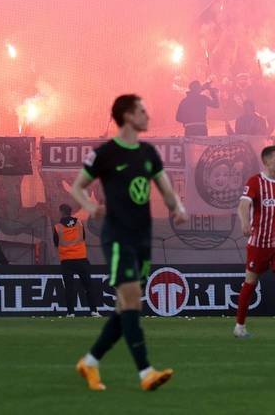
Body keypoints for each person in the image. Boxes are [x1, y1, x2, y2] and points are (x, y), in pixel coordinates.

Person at [72, 94, 188, 392]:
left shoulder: (148, 152)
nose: (148, 116)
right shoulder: (106, 153)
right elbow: (78, 187)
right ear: (127, 116)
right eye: (142, 111)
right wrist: (90, 205)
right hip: (117, 236)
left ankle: (90, 362)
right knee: (133, 300)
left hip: (142, 237)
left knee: (125, 309)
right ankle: (146, 372)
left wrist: (177, 207)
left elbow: (165, 187)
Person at [233, 144, 275, 340]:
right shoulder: (255, 182)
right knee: (250, 283)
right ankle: (239, 326)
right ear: (266, 161)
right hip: (259, 244)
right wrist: (245, 222)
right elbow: (243, 205)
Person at [54, 203, 100, 316]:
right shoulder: (79, 223)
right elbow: (83, 237)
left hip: (67, 261)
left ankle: (71, 312)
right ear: (70, 212)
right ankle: (94, 311)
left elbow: (56, 243)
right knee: (88, 286)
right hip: (81, 258)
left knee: (69, 287)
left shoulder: (57, 227)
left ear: (61, 212)